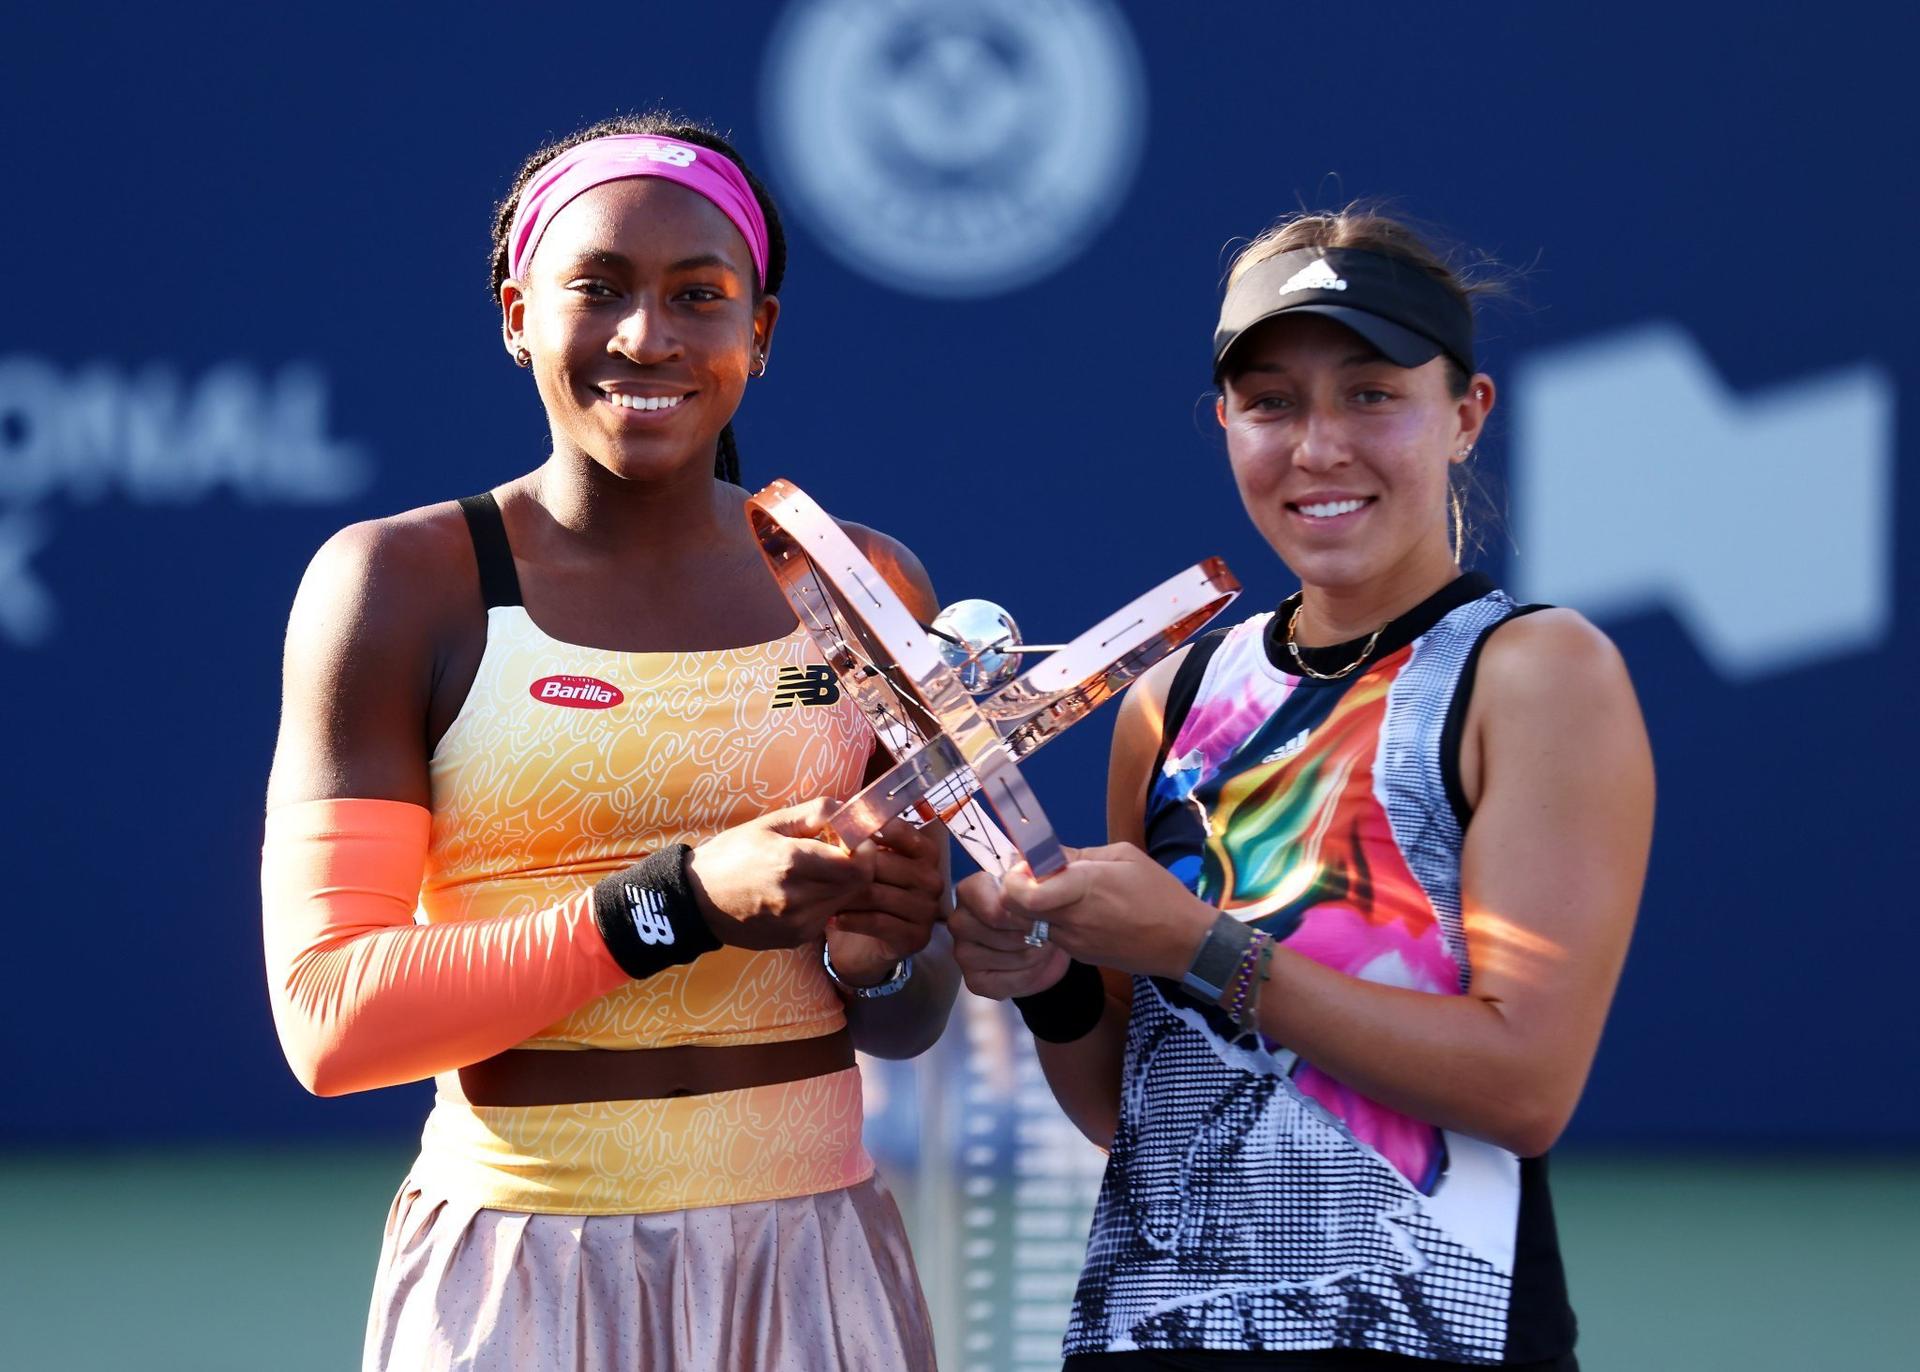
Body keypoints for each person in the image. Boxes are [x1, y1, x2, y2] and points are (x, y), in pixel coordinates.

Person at [261, 113, 955, 1371]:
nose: (649, 337)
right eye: (600, 289)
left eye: (700, 294)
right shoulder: (396, 584)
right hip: (520, 1276)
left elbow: (904, 1019)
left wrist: (886, 950)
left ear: (762, 331)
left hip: (815, 1268)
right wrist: (680, 902)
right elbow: (329, 1020)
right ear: (518, 312)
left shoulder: (868, 584)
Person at [951, 208, 1653, 1370]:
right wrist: (1052, 985)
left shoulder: (1536, 672)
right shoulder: (1168, 698)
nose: (1319, 446)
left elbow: (1526, 1084)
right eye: (1272, 402)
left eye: (1372, 393)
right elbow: (1140, 1117)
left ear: (1467, 415)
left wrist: (1201, 945)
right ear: (1224, 422)